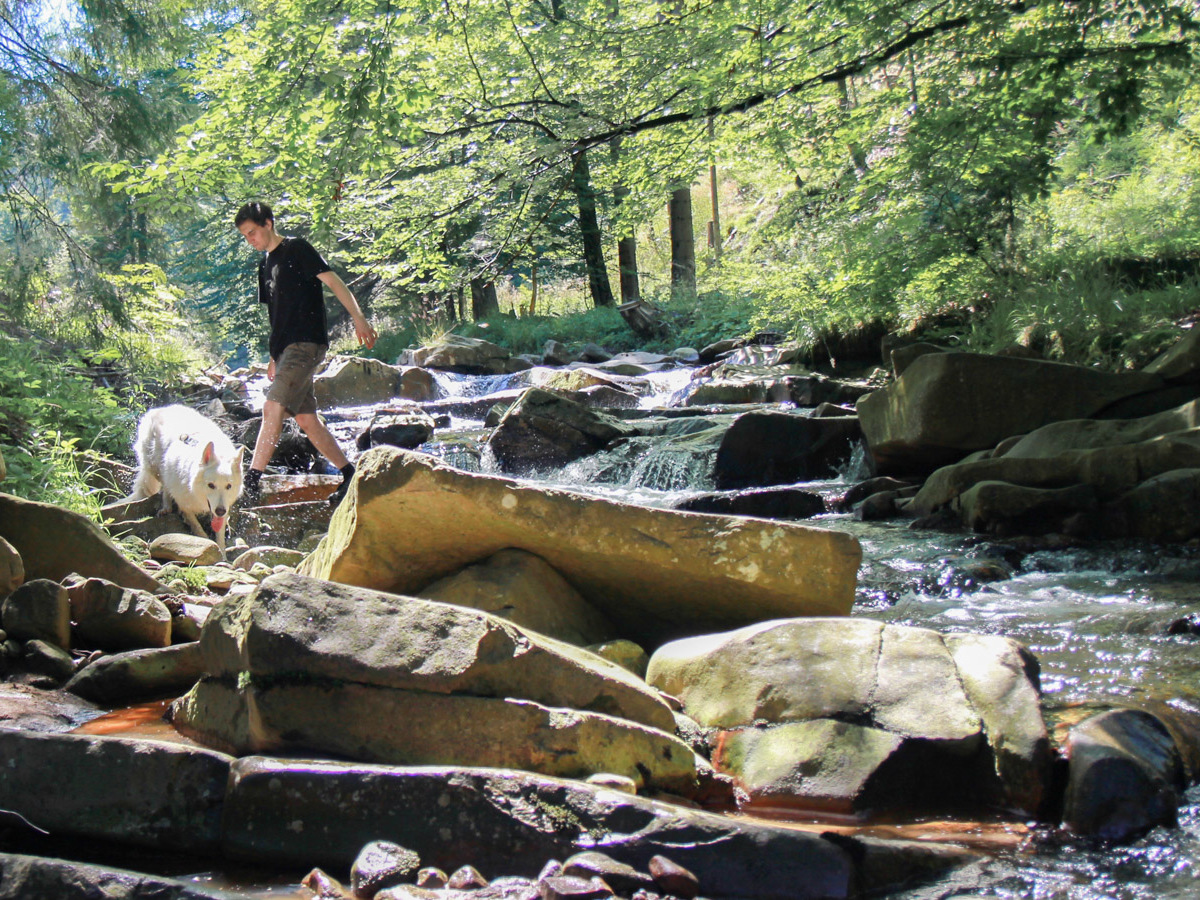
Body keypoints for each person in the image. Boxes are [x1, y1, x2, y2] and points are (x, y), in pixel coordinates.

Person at [234, 201, 378, 508]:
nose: (250, 240)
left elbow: (334, 281)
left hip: (306, 343)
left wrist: (359, 318)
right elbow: (276, 315)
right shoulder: (264, 265)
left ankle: (251, 482)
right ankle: (349, 473)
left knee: (272, 407)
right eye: (244, 236)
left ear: (268, 224)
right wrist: (274, 357)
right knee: (306, 419)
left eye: (252, 232)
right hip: (286, 351)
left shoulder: (298, 249)